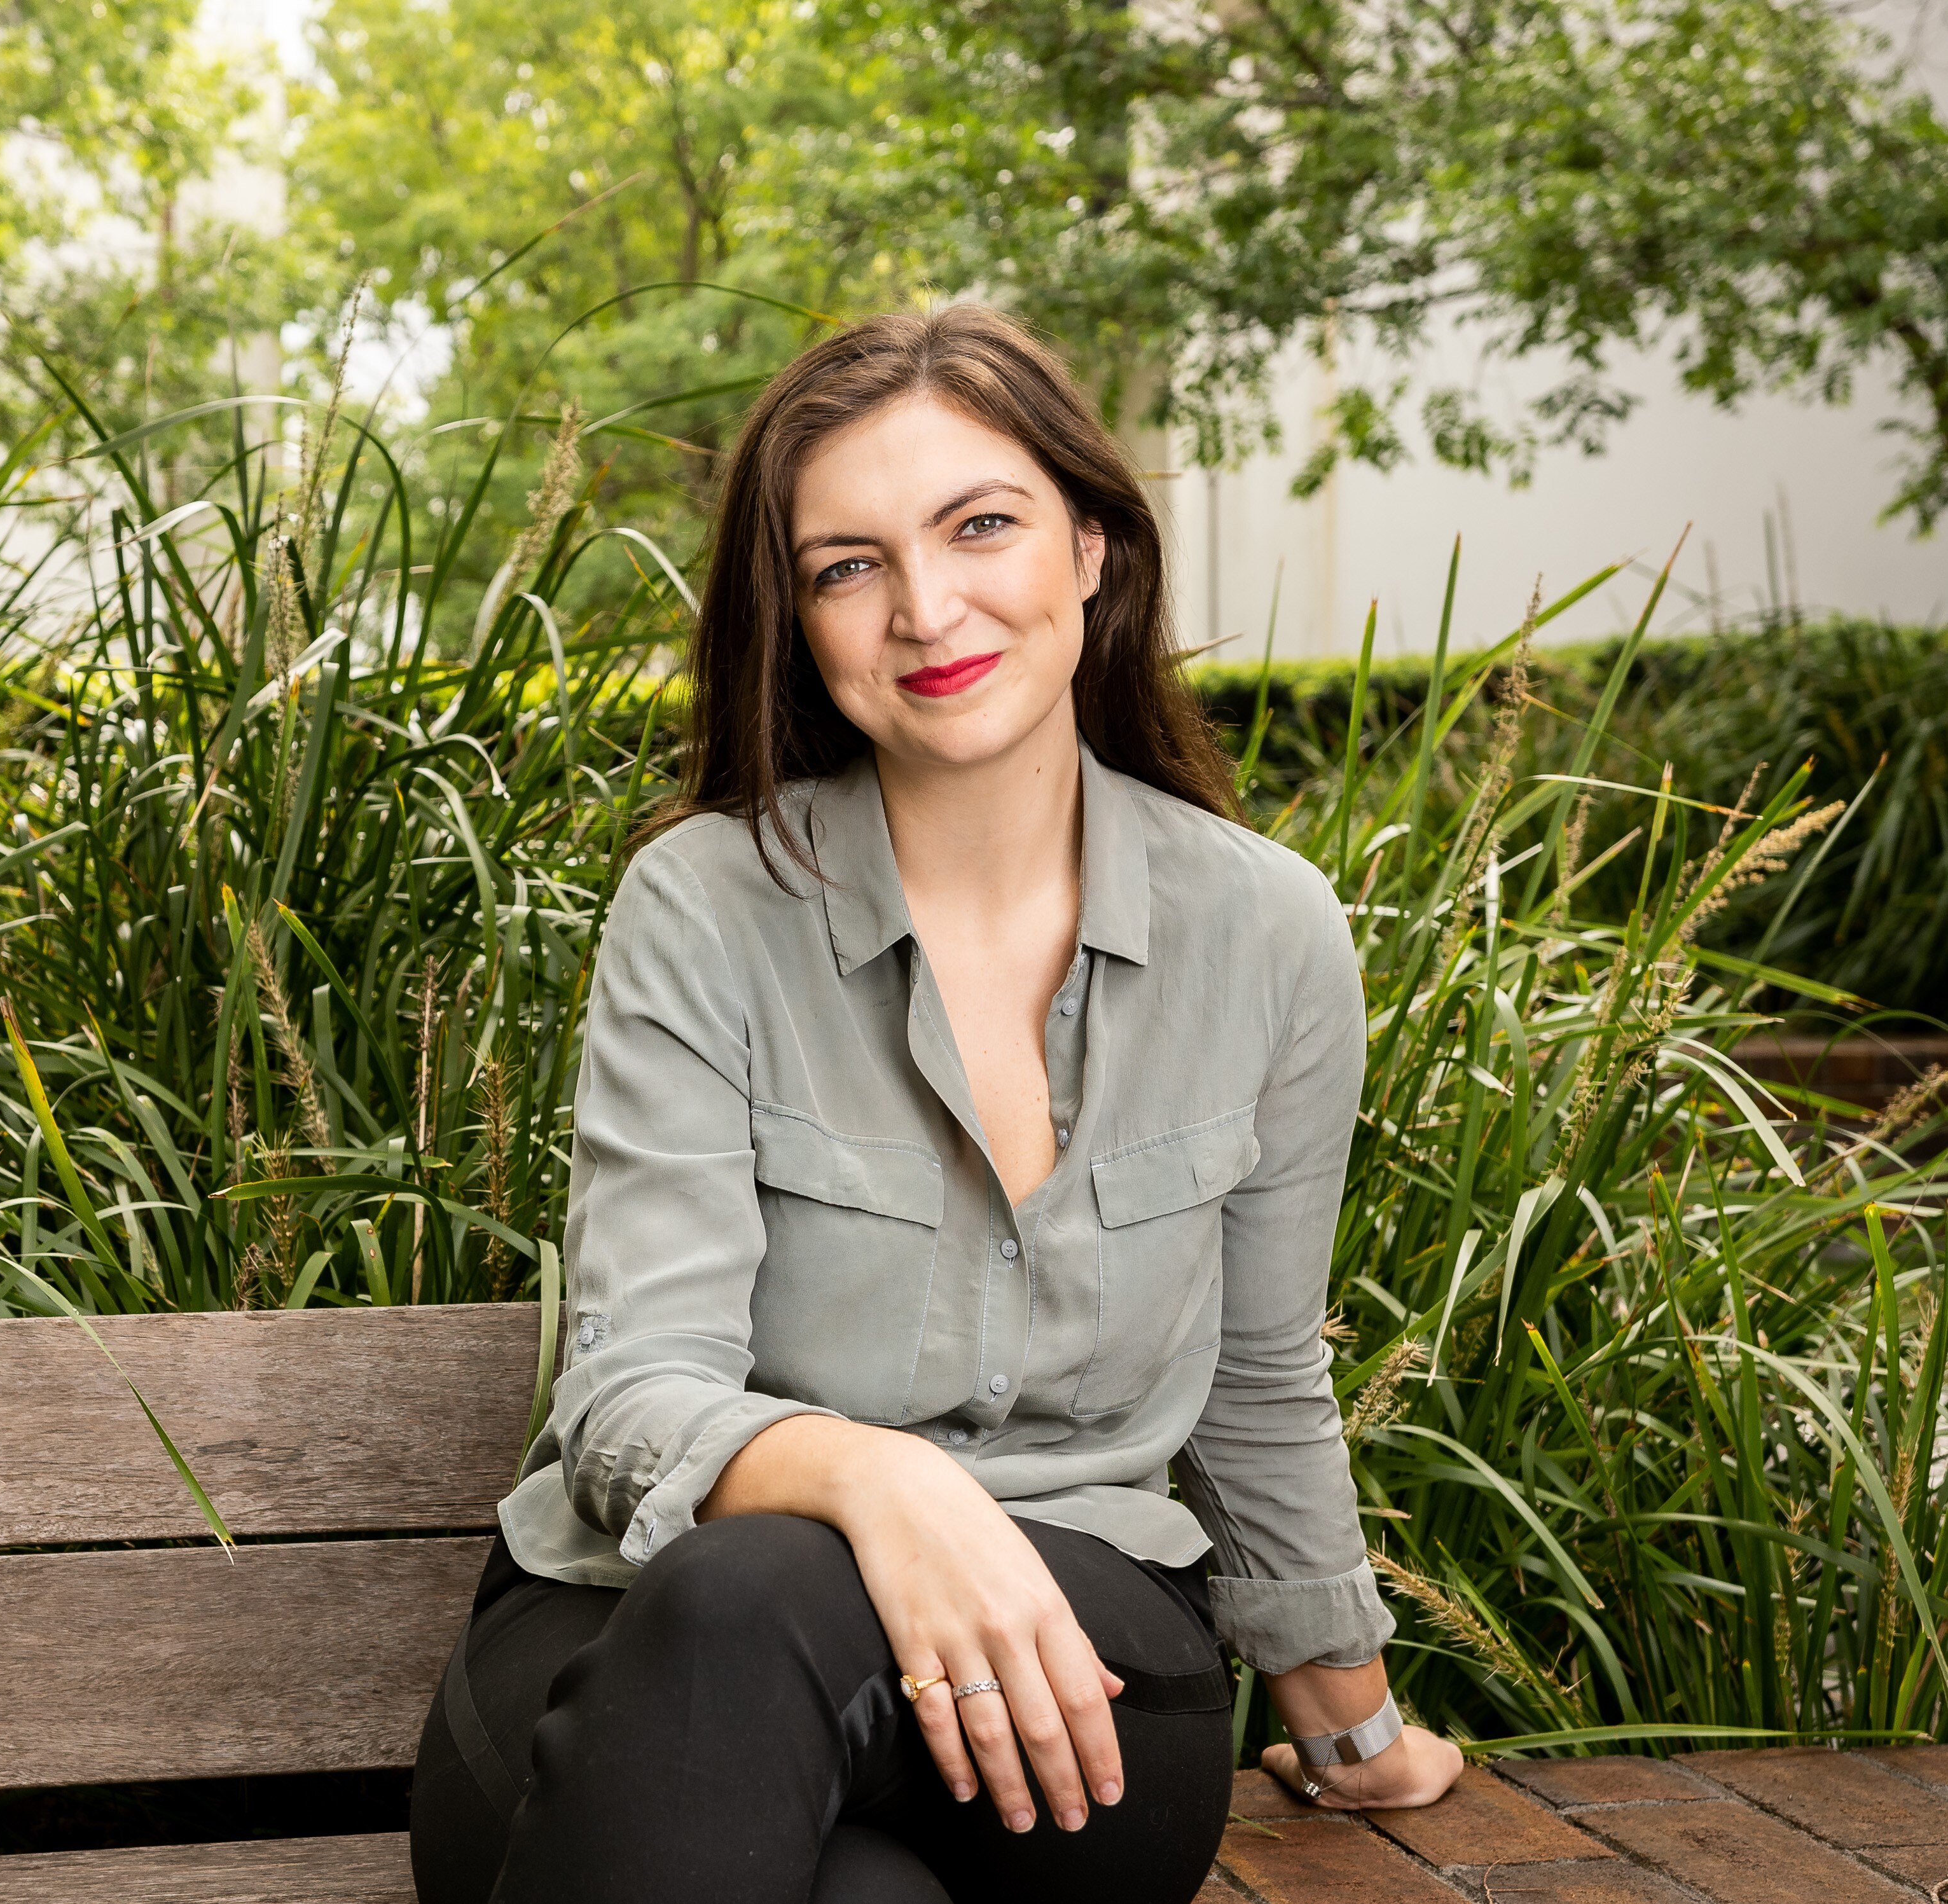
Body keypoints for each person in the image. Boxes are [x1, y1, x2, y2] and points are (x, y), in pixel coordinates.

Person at [406, 305, 1466, 1904]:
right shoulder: (707, 905)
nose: (925, 607)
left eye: (981, 525)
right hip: (633, 1639)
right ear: (801, 619)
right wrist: (872, 1477)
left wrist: (1345, 1712)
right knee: (791, 1722)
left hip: (1078, 1664)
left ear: (1094, 547)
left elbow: (1256, 1380)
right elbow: (631, 1402)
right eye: (848, 566)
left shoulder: (1267, 931)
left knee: (756, 1608)